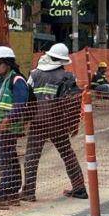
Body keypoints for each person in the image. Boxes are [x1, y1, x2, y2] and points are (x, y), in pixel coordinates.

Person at [22, 43, 86, 201]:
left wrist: (25, 120)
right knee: (67, 154)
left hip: (37, 122)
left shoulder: (34, 74)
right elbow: (73, 102)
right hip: (58, 122)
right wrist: (72, 124)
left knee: (31, 156)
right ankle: (79, 189)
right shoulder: (67, 77)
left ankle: (29, 192)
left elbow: (26, 98)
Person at [0, 46, 31, 210]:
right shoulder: (1, 81)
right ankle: (12, 195)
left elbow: (20, 104)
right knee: (10, 160)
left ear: (8, 64)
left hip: (8, 128)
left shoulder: (17, 80)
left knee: (4, 162)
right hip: (2, 128)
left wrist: (8, 120)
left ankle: (3, 197)